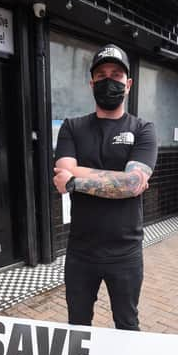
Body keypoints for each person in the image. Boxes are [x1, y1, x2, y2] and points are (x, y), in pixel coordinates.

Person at [53, 44, 158, 331]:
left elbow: (132, 184)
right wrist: (121, 179)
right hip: (80, 251)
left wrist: (76, 179)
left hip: (125, 252)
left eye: (115, 74)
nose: (108, 80)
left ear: (128, 83)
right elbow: (64, 174)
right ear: (91, 83)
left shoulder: (143, 129)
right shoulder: (72, 127)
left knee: (126, 325)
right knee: (77, 326)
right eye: (101, 75)